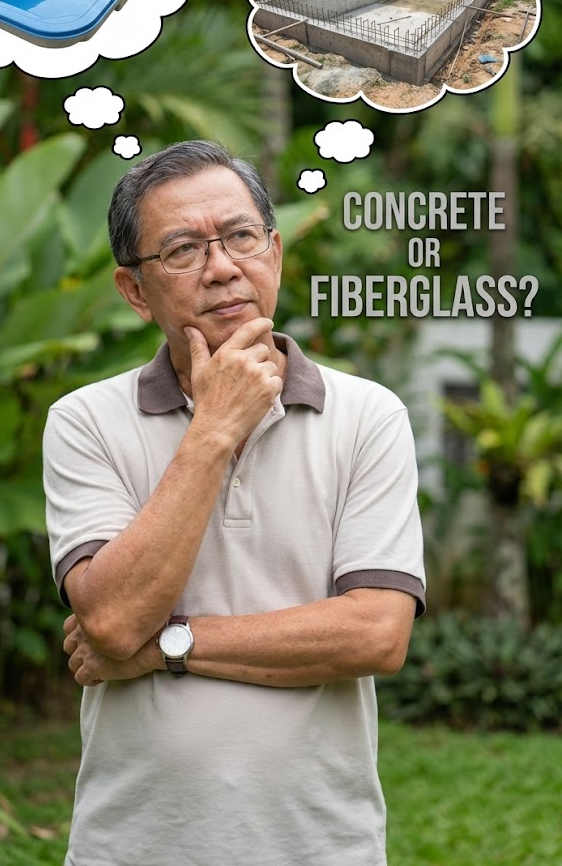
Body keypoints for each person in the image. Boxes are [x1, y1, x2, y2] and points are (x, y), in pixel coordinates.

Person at [43, 140, 425, 866]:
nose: (222, 268)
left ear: (274, 252)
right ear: (133, 289)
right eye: (182, 249)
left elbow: (375, 634)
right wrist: (214, 429)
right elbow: (113, 616)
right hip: (132, 846)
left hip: (321, 846)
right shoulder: (84, 421)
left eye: (242, 237)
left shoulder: (366, 415)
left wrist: (162, 647)